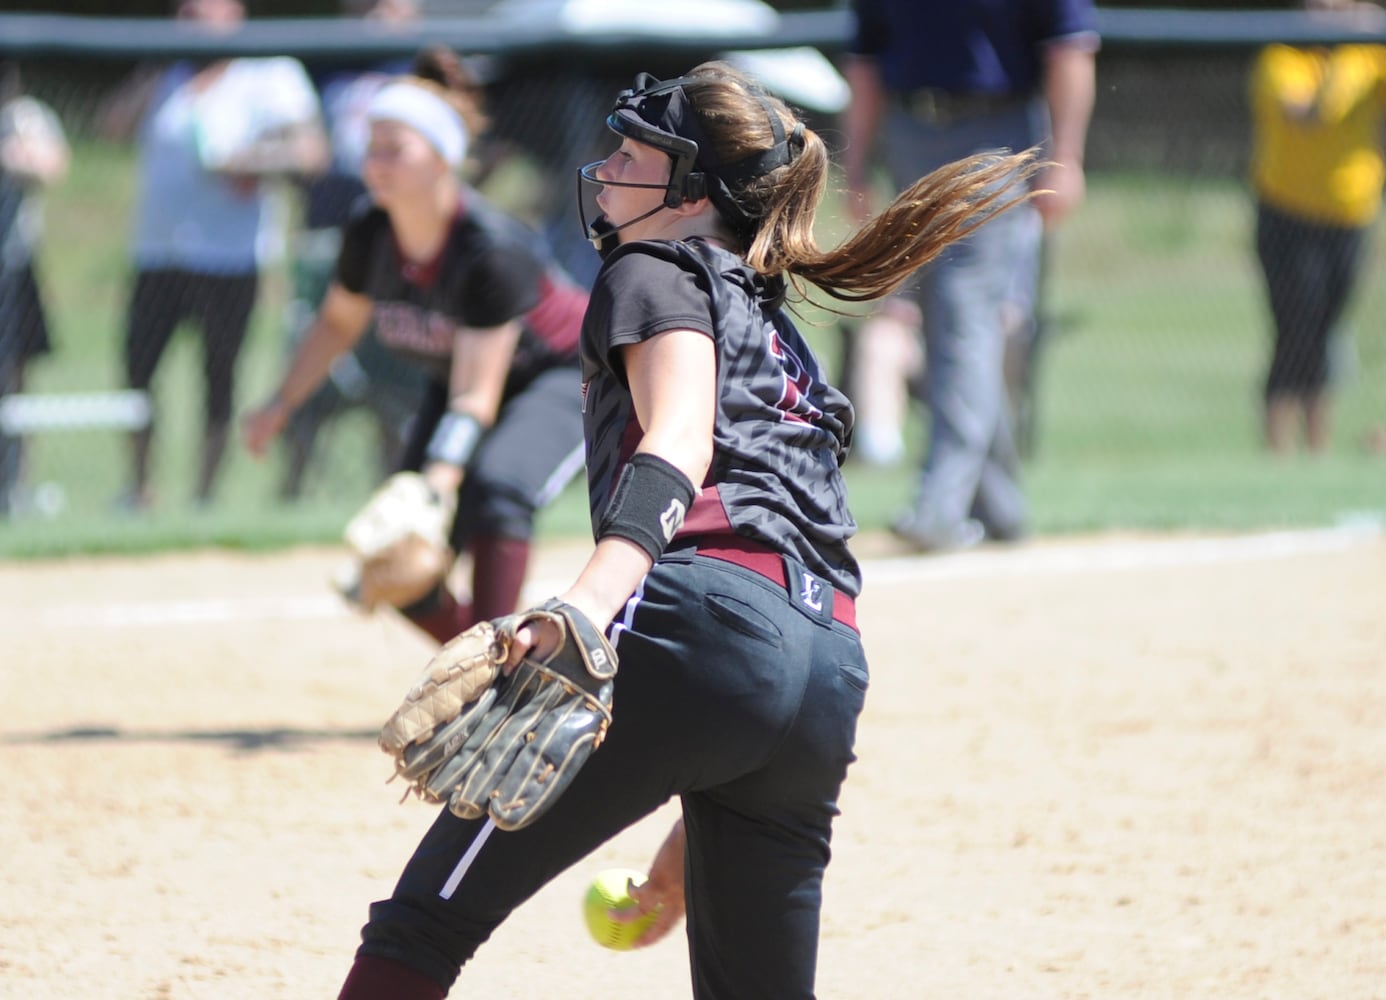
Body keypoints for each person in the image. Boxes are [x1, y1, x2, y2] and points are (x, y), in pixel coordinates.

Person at [334, 62, 1039, 1000]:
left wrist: (583, 608)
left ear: (692, 189)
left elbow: (677, 443)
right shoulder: (778, 330)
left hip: (697, 625)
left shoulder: (654, 266)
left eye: (634, 153)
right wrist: (694, 841)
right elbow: (778, 634)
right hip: (825, 675)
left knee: (426, 922)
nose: (608, 166)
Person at [242, 47, 589, 646]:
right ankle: (498, 666)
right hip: (461, 384)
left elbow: (477, 398)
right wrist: (280, 403)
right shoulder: (371, 233)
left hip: (563, 374)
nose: (376, 163)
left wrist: (439, 480)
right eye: (372, 148)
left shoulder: (490, 251)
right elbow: (336, 325)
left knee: (498, 489)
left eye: (394, 149)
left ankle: (493, 675)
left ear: (443, 159)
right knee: (393, 554)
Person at [843, 0, 1098, 550]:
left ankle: (940, 505)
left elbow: (1070, 46)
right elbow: (865, 57)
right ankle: (999, 504)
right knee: (944, 319)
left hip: (996, 133)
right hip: (910, 131)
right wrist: (858, 161)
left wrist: (1067, 157)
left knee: (964, 308)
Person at [100, 0, 328, 510]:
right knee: (137, 372)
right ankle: (140, 490)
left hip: (230, 259)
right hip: (158, 254)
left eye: (203, 14)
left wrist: (250, 162)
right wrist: (155, 68)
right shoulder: (166, 75)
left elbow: (312, 151)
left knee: (218, 378)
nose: (189, 22)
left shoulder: (268, 76)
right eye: (183, 13)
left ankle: (204, 496)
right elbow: (110, 128)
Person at [1249, 0, 1386, 455]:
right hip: (1288, 212)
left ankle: (1317, 446)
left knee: (1327, 328)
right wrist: (1348, 51)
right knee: (1295, 326)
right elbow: (1308, 116)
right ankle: (1280, 447)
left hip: (1350, 212)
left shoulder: (1370, 56)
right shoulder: (1283, 58)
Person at [0, 66, 69, 517]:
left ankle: (13, 487)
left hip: (12, 267)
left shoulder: (26, 116)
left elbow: (51, 167)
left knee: (14, 384)